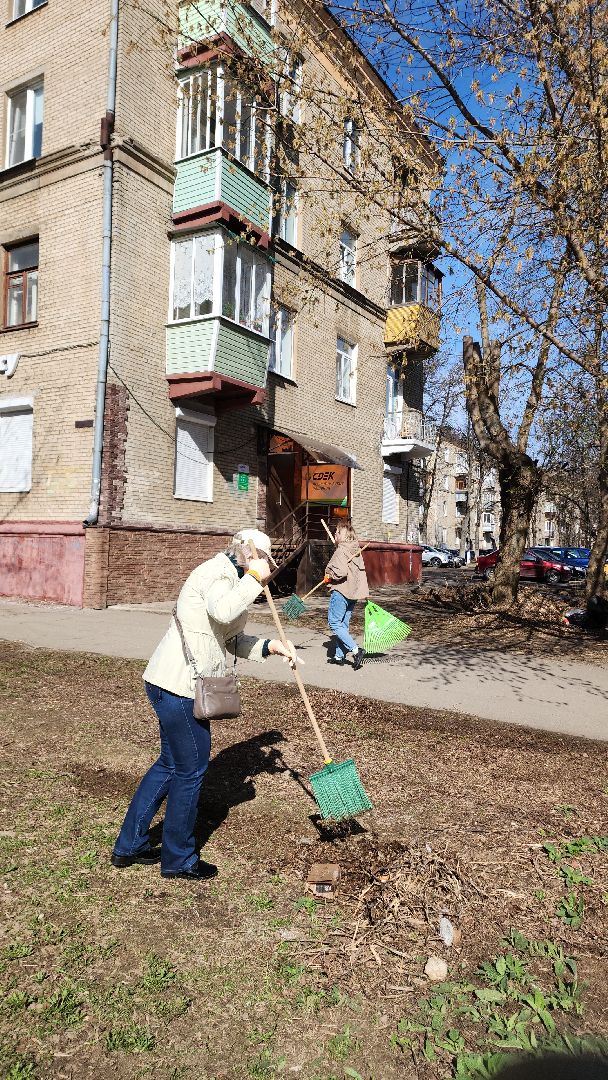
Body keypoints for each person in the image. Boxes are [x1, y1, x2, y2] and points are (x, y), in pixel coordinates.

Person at [111, 528, 298, 882]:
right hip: (179, 686)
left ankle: (130, 845)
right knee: (191, 771)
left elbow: (230, 637)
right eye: (262, 559)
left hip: (172, 683)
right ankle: (179, 859)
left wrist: (272, 646)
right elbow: (224, 611)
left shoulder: (233, 576)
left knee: (171, 764)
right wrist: (254, 578)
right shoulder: (215, 574)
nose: (265, 568)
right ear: (247, 552)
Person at [324, 522, 369, 670]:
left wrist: (329, 576)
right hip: (353, 593)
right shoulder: (355, 550)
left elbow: (340, 572)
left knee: (334, 623)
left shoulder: (341, 550)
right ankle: (338, 656)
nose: (335, 534)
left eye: (337, 532)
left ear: (343, 536)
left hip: (341, 591)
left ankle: (356, 650)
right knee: (343, 625)